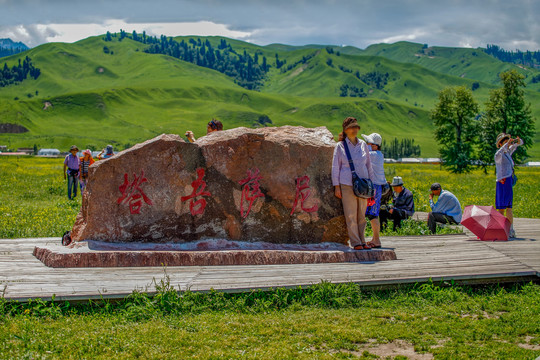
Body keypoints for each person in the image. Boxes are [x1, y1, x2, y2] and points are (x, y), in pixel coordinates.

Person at [332, 117, 375, 250]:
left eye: (356, 127)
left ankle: (362, 241)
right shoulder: (340, 146)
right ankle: (356, 242)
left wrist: (372, 185)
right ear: (345, 130)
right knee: (351, 214)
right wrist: (336, 187)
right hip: (346, 184)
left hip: (363, 185)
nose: (355, 129)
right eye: (352, 127)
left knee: (361, 215)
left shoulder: (363, 145)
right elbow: (335, 167)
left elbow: (368, 165)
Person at [495, 133, 523, 238]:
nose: (507, 142)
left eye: (508, 140)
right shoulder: (499, 154)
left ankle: (510, 229)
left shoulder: (507, 153)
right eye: (505, 141)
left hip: (507, 181)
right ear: (501, 144)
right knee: (501, 207)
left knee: (509, 207)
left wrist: (516, 141)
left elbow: (519, 144)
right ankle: (502, 228)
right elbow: (501, 151)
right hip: (502, 181)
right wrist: (506, 145)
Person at [362, 133, 386, 248]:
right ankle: (375, 239)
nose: (367, 145)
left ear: (375, 145)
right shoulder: (379, 155)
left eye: (369, 143)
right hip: (377, 186)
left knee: (372, 214)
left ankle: (376, 240)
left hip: (373, 187)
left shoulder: (373, 155)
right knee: (373, 213)